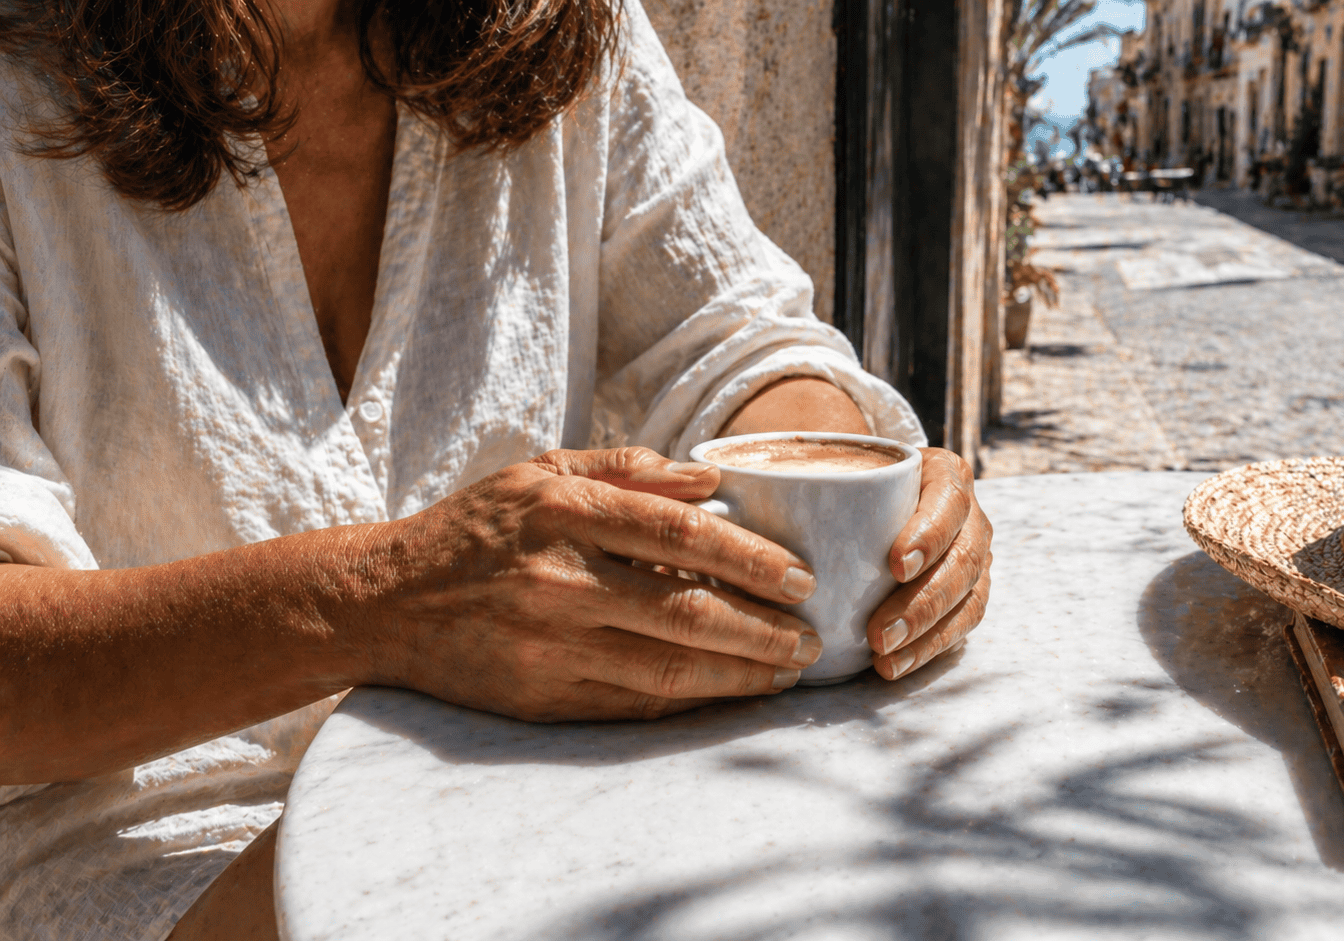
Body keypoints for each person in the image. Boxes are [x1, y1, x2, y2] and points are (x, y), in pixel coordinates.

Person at [0, 0, 993, 937]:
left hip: (524, 797)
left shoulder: (555, 31)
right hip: (149, 876)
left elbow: (734, 340)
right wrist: (384, 602)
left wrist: (858, 510)